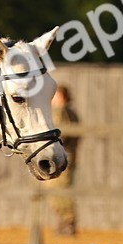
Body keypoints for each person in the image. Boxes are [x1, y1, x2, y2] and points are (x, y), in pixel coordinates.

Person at [43, 84, 79, 234]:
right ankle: (65, 221)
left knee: (59, 189)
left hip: (61, 157)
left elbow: (63, 133)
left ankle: (67, 221)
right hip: (65, 156)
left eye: (56, 95)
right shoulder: (69, 112)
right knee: (57, 189)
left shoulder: (62, 111)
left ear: (63, 97)